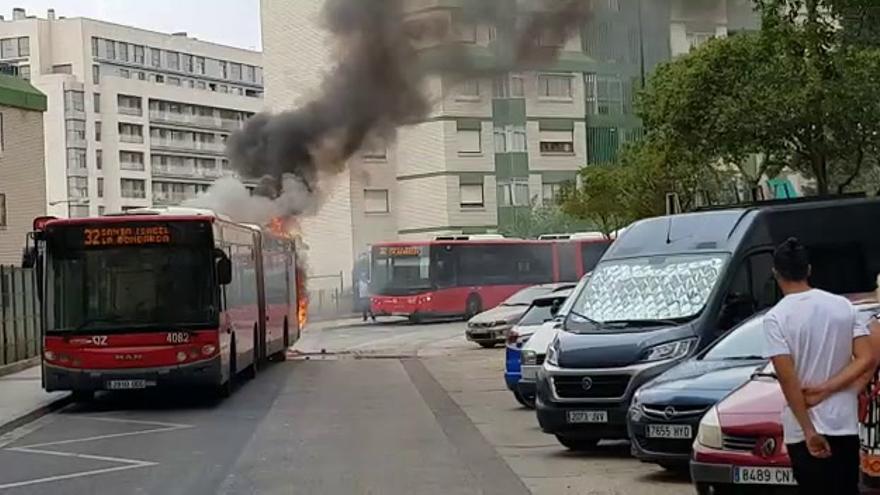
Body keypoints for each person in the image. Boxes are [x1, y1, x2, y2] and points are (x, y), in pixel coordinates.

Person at [764, 238, 874, 495]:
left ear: (775, 273)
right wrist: (829, 388)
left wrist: (808, 429)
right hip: (842, 421)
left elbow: (787, 378)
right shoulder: (843, 306)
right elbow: (867, 357)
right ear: (809, 270)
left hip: (804, 426)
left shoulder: (776, 318)